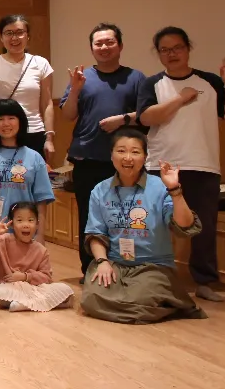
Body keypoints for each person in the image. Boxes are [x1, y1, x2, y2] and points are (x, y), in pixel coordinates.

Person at [137, 26, 225, 302]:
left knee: (204, 227)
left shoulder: (210, 81)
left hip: (203, 164)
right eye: (165, 50)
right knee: (156, 225)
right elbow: (147, 118)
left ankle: (205, 282)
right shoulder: (152, 83)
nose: (172, 54)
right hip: (161, 165)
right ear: (158, 53)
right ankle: (155, 278)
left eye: (177, 48)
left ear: (188, 49)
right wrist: (181, 98)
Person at [82, 128, 206, 323]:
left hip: (153, 266)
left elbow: (185, 225)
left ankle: (160, 302)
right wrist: (102, 262)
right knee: (90, 299)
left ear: (145, 157)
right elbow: (95, 233)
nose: (128, 158)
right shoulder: (100, 190)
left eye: (135, 152)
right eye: (121, 151)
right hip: (115, 263)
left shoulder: (160, 186)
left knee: (141, 300)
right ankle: (160, 304)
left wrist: (174, 189)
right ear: (111, 155)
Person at [59, 23, 146, 274]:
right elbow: (68, 114)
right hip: (87, 157)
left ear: (120, 45)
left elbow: (148, 114)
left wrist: (122, 120)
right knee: (89, 216)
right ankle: (91, 268)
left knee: (127, 215)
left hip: (126, 161)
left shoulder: (136, 78)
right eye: (99, 43)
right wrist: (75, 89)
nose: (104, 47)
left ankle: (125, 267)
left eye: (110, 42)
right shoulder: (82, 77)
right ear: (92, 48)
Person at [0, 100, 54, 279]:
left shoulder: (34, 158)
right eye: (0, 119)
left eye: (11, 118)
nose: (6, 123)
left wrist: (40, 235)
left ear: (20, 121)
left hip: (23, 238)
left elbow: (41, 201)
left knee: (19, 287)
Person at [0, 14, 56, 161]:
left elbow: (47, 103)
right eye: (9, 33)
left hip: (33, 131)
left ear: (28, 36)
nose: (14, 38)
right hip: (2, 131)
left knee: (33, 174)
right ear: (1, 38)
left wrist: (49, 138)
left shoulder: (40, 63)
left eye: (20, 32)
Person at [0, 202, 74, 312]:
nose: (26, 225)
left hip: (32, 289)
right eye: (19, 220)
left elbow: (46, 277)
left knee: (66, 290)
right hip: (7, 287)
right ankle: (30, 304)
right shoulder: (3, 240)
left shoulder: (41, 250)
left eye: (30, 220)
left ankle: (23, 304)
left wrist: (25, 277)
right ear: (12, 224)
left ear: (37, 224)